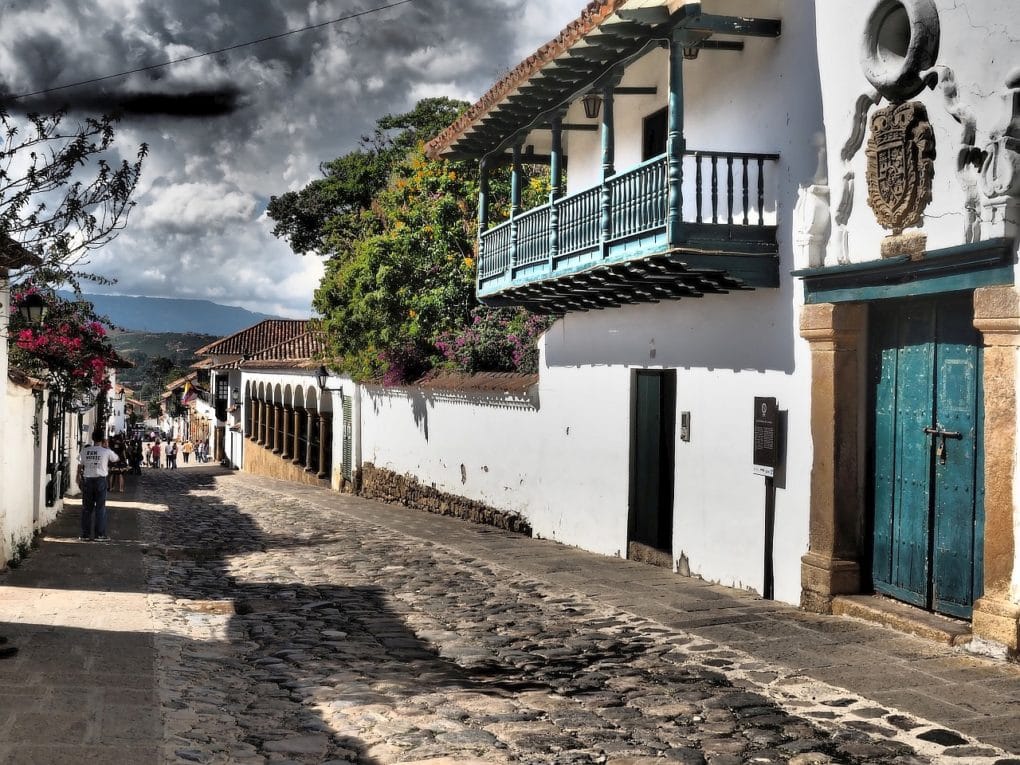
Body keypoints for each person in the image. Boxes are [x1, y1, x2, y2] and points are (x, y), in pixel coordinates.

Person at [76, 429, 119, 541]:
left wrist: (78, 477)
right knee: (100, 508)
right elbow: (116, 458)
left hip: (88, 480)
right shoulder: (106, 451)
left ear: (92, 438)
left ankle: (85, 534)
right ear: (102, 439)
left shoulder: (86, 450)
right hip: (100, 480)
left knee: (86, 508)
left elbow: (80, 464)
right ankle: (99, 534)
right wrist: (107, 446)